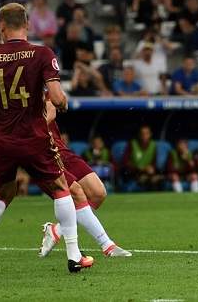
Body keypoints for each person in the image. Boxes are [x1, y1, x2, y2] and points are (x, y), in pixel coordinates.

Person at [0, 3, 92, 277]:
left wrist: (2, 118)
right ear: (27, 25)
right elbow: (56, 97)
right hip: (34, 137)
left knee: (2, 194)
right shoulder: (42, 53)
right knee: (60, 189)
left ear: (1, 27)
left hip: (4, 140)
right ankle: (74, 256)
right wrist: (64, 102)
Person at [38, 100, 132, 258]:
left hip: (60, 149)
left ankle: (57, 230)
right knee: (77, 193)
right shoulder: (11, 93)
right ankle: (107, 245)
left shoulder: (41, 83)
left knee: (98, 193)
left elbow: (54, 107)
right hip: (42, 154)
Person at [122, 125, 162, 191]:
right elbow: (125, 162)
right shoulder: (132, 144)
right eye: (142, 133)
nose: (144, 136)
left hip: (147, 175)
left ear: (150, 134)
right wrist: (140, 169)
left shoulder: (153, 145)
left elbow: (154, 163)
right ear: (139, 135)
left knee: (155, 181)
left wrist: (151, 168)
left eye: (147, 133)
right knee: (129, 188)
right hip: (133, 175)